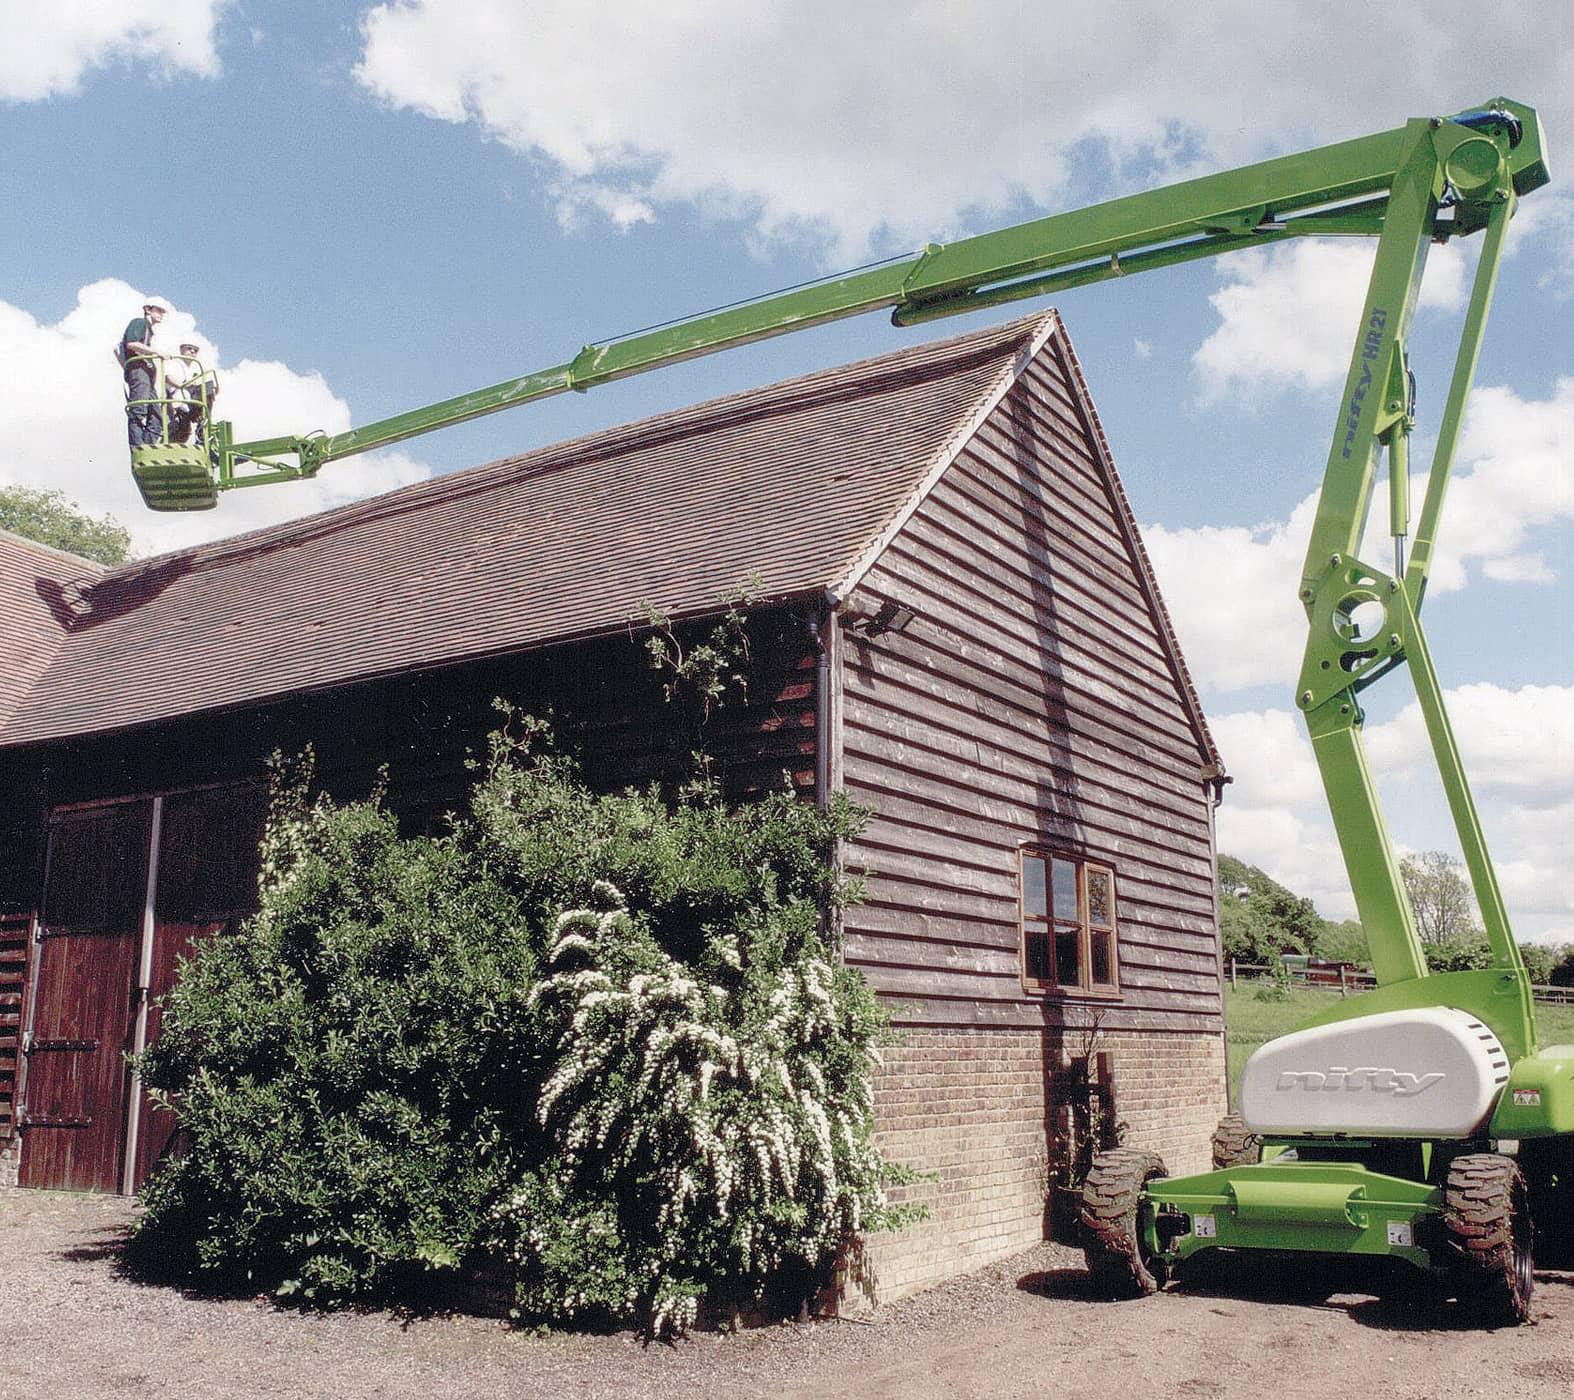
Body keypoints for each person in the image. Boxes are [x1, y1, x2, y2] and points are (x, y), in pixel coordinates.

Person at [118, 301, 167, 448]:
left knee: (158, 416)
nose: (161, 314)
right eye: (158, 310)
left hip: (146, 375)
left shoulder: (149, 332)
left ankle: (147, 447)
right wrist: (156, 352)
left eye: (163, 312)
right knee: (139, 409)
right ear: (148, 310)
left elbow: (117, 349)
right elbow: (130, 343)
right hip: (139, 371)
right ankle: (137, 448)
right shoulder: (139, 323)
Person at [167, 342, 218, 447]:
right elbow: (168, 378)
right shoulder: (174, 363)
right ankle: (201, 433)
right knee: (180, 431)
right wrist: (182, 386)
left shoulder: (193, 369)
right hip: (178, 399)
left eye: (195, 350)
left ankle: (203, 433)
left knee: (209, 388)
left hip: (188, 399)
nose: (192, 351)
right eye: (189, 348)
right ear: (181, 350)